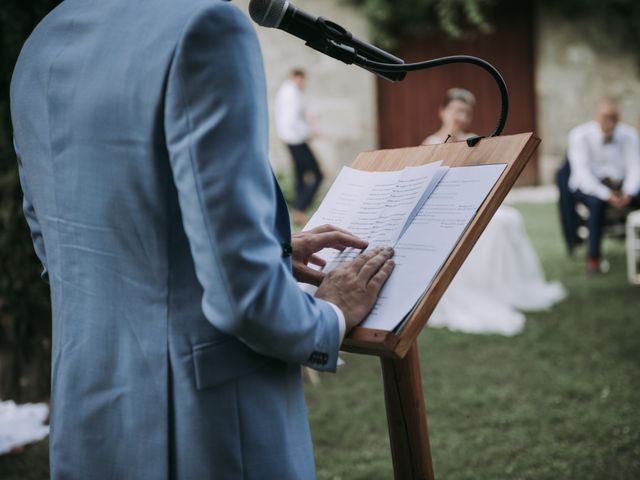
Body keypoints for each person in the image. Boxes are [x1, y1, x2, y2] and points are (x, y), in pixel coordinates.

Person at [10, 1, 395, 478]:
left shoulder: (44, 39)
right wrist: (330, 316)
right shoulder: (205, 26)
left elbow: (61, 242)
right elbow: (241, 299)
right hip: (199, 424)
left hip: (89, 404)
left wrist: (265, 246)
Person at [423, 88, 565, 336]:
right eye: (456, 110)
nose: (460, 116)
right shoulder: (431, 144)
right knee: (496, 226)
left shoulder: (476, 140)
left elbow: (488, 177)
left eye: (466, 112)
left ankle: (508, 286)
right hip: (445, 209)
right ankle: (478, 287)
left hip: (474, 202)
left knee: (509, 219)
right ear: (443, 112)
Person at [567, 98, 640, 273]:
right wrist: (607, 195)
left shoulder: (629, 135)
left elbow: (635, 167)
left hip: (621, 185)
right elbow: (582, 175)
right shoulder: (579, 135)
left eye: (614, 117)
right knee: (596, 204)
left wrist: (628, 193)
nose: (610, 121)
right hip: (588, 186)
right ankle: (594, 257)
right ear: (596, 117)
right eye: (605, 116)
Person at [274, 69, 324, 225]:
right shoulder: (291, 93)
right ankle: (300, 209)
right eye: (303, 80)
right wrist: (309, 131)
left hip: (289, 138)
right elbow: (291, 120)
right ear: (296, 78)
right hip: (296, 139)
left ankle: (298, 212)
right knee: (317, 174)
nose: (304, 84)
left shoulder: (286, 91)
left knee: (300, 174)